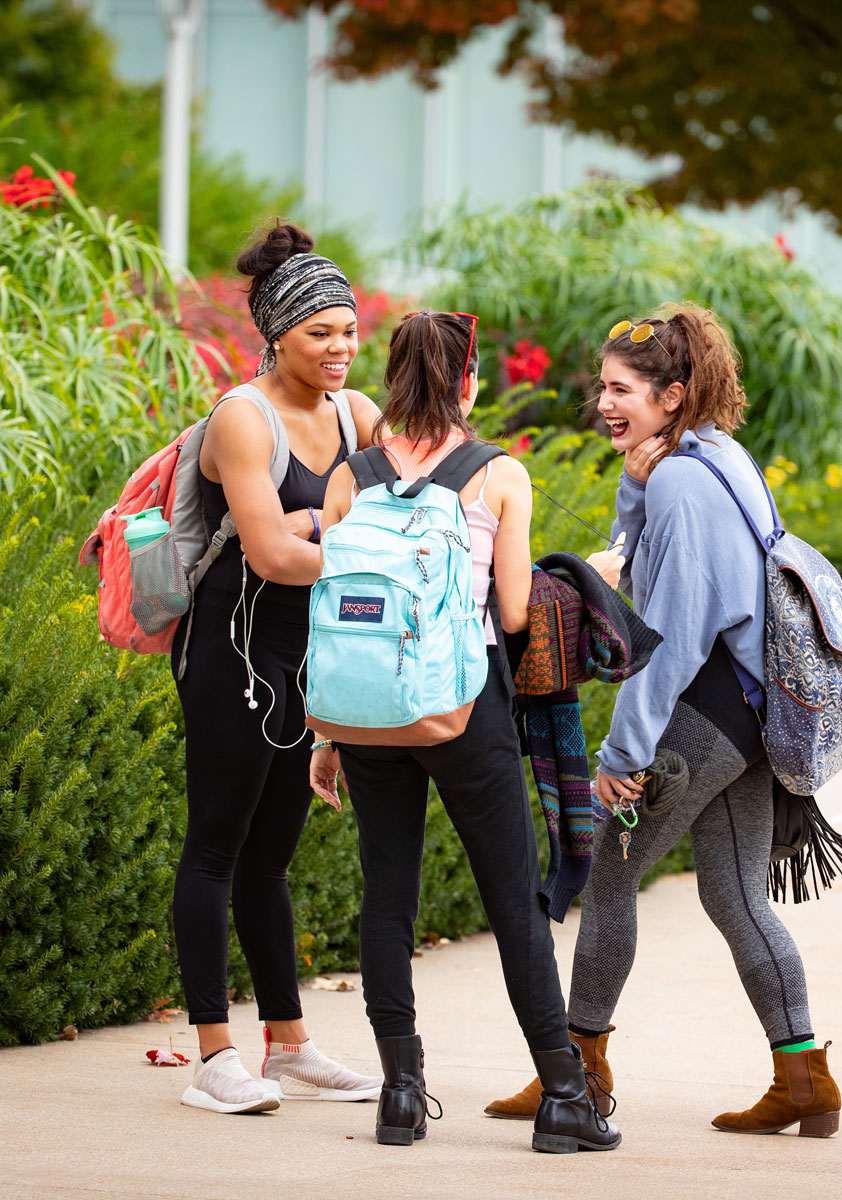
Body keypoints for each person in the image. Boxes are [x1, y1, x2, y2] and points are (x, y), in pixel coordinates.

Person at [487, 303, 842, 1137]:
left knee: (611, 871)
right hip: (753, 713)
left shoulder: (682, 478)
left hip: (706, 709)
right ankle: (803, 1079)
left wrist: (622, 752)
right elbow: (637, 556)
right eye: (602, 388)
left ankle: (573, 1075)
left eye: (623, 390)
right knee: (734, 893)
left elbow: (674, 633)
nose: (606, 404)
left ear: (673, 393)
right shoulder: (712, 456)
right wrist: (635, 481)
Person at [311, 310, 623, 1153]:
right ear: (469, 383)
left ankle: (401, 1095)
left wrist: (328, 736)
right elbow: (517, 612)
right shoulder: (497, 476)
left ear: (395, 378)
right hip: (463, 706)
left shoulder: (352, 478)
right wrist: (589, 580)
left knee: (388, 897)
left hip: (370, 714)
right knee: (513, 900)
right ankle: (564, 1095)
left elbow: (345, 622)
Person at [173, 221, 384, 1115]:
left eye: (347, 330)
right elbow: (270, 558)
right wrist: (339, 533)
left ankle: (289, 1044)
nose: (339, 350)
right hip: (231, 652)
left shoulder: (358, 414)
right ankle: (215, 1054)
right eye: (319, 335)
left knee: (272, 858)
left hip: (310, 659)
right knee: (218, 845)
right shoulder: (240, 418)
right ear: (276, 333)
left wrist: (322, 532)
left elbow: (409, 520)